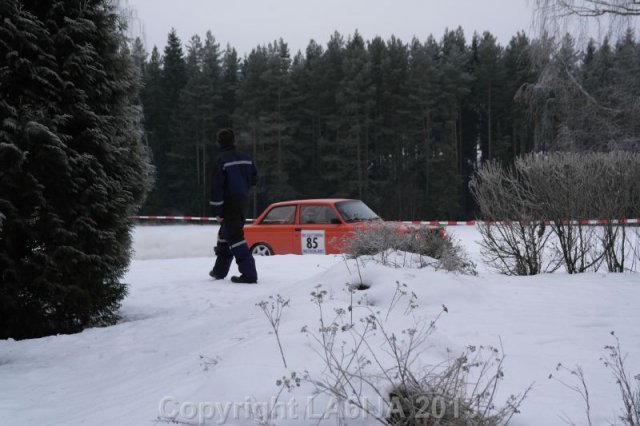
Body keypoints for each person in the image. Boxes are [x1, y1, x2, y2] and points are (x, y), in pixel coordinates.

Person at [209, 128, 259, 284]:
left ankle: (249, 274)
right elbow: (255, 179)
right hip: (243, 201)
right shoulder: (246, 158)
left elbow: (217, 188)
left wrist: (217, 210)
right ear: (233, 141)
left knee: (235, 237)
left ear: (219, 142)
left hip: (229, 203)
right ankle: (219, 271)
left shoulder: (221, 160)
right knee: (225, 234)